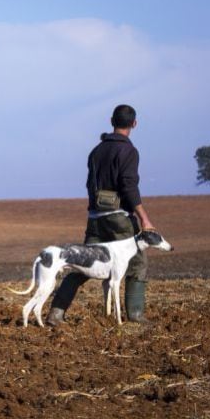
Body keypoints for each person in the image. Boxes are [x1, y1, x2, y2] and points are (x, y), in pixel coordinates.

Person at [46, 104, 155, 326]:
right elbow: (128, 186)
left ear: (111, 121)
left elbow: (89, 185)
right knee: (137, 263)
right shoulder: (129, 151)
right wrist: (144, 217)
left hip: (95, 218)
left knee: (81, 265)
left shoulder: (96, 151)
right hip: (119, 219)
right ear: (134, 124)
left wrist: (97, 209)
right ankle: (135, 315)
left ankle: (56, 314)